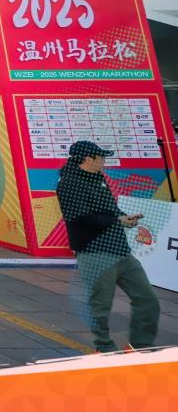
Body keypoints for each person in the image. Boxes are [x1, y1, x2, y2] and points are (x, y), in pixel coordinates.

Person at [57, 140, 159, 352]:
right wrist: (117, 220)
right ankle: (103, 347)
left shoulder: (97, 178)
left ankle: (140, 346)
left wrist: (124, 217)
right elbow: (80, 218)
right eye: (101, 157)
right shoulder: (68, 183)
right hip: (95, 252)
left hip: (120, 250)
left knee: (147, 299)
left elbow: (109, 210)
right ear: (88, 159)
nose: (104, 161)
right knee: (100, 306)